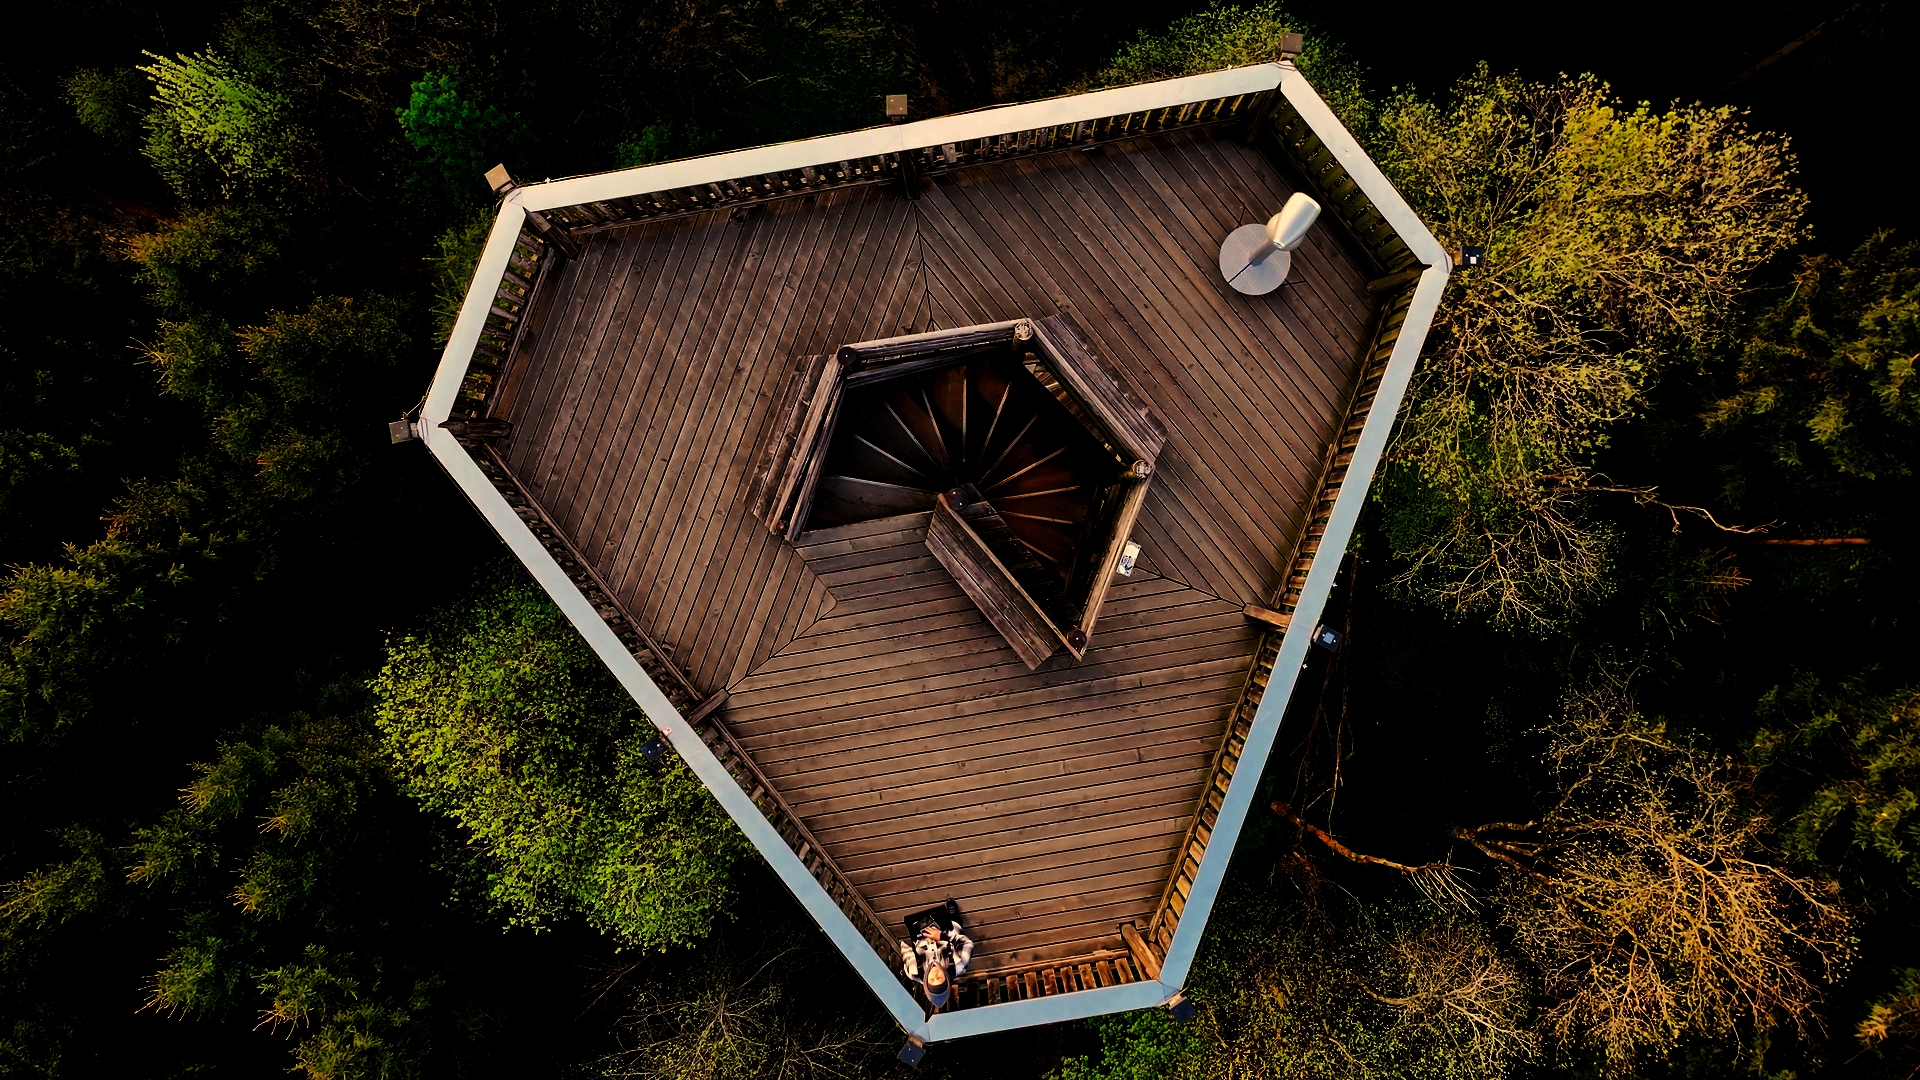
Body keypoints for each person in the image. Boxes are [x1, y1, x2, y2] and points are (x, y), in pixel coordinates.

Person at [899, 917, 974, 1012]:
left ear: (926, 982)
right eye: (939, 978)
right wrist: (942, 936)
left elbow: (904, 944)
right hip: (946, 925)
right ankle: (952, 915)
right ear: (946, 979)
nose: (935, 975)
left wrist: (917, 935)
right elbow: (967, 943)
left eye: (931, 980)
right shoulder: (959, 964)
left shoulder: (913, 971)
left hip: (918, 928)